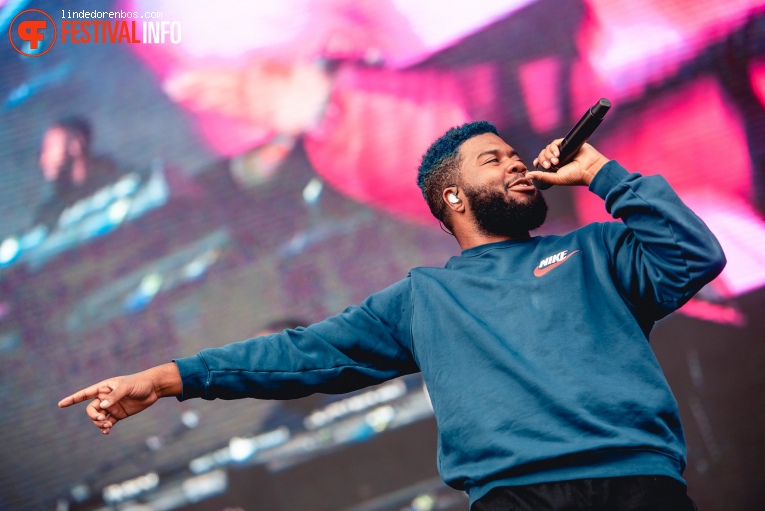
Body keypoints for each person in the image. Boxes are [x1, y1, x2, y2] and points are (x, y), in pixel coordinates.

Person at [59, 121, 725, 510]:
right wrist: (166, 376)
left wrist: (602, 173)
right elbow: (297, 353)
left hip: (641, 483)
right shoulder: (421, 299)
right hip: (517, 497)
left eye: (517, 157)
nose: (519, 166)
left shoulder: (595, 249)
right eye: (496, 160)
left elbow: (694, 255)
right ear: (455, 195)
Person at [34, 117, 120, 229]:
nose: (43, 159)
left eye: (49, 148)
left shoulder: (117, 181)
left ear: (76, 145)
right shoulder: (49, 215)